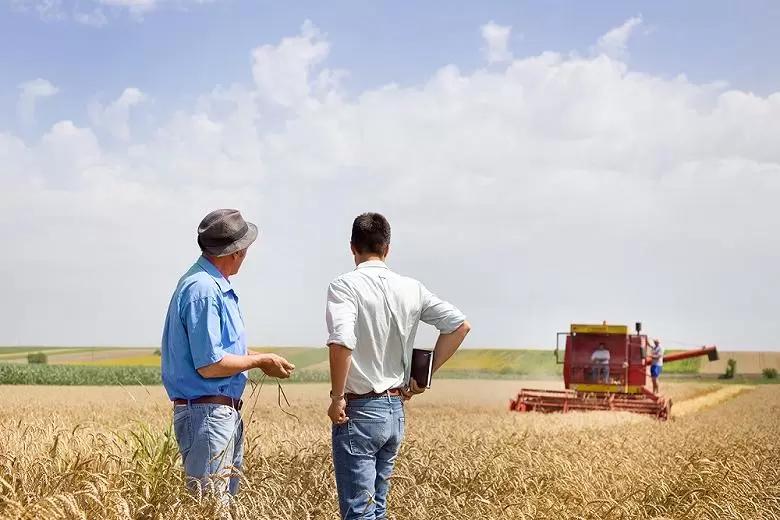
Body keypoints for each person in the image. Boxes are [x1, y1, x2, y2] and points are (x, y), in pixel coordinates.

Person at [326, 212, 471, 520]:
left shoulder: (344, 286)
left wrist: (337, 397)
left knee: (359, 513)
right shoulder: (412, 288)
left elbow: (341, 341)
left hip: (361, 410)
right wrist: (424, 375)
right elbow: (459, 326)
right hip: (395, 411)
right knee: (377, 510)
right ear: (387, 249)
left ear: (352, 247)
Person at [161, 209, 295, 498]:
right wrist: (259, 361)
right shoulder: (205, 290)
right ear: (236, 252)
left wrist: (262, 359)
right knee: (210, 506)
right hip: (207, 415)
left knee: (219, 504)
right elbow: (210, 364)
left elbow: (224, 350)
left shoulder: (207, 285)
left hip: (215, 413)